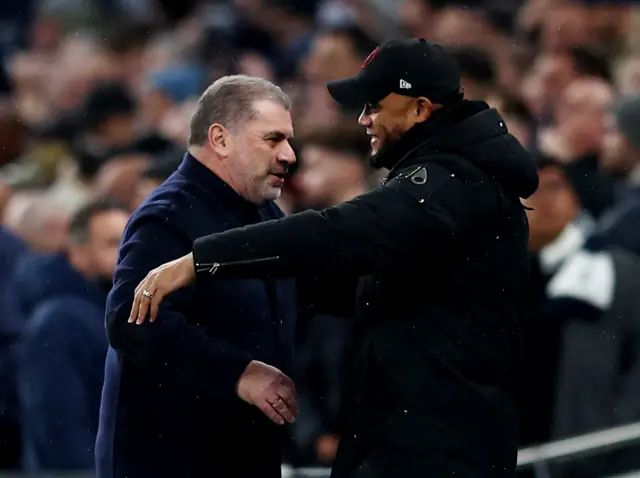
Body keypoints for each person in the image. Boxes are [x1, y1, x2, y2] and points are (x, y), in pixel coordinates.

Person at [131, 39, 539, 477]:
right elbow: (369, 286)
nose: (364, 118)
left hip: (438, 449)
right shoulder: (451, 180)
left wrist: (201, 260)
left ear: (420, 109)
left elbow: (339, 232)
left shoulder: (451, 182)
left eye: (376, 105)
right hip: (417, 438)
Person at [96, 75, 299, 478]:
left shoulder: (261, 212)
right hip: (171, 460)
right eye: (272, 140)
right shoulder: (168, 214)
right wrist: (237, 372)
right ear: (220, 139)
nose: (289, 155)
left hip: (237, 452)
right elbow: (130, 321)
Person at [17, 199, 128, 472]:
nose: (128, 252)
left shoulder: (114, 312)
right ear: (78, 253)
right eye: (114, 243)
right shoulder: (60, 321)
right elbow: (60, 428)